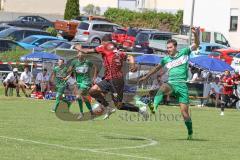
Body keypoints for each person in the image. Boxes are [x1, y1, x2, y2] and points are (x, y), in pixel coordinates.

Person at [139, 28, 199, 140]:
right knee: (163, 87)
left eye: (170, 47)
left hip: (182, 86)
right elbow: (157, 68)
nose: (168, 50)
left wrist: (196, 35)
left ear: (175, 47)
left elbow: (196, 44)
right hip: (171, 84)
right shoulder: (166, 59)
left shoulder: (184, 52)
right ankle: (152, 109)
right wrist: (146, 76)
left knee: (184, 113)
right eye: (167, 48)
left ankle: (190, 132)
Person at [75, 34, 148, 120]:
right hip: (108, 79)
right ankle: (107, 107)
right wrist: (133, 64)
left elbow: (86, 51)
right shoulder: (118, 50)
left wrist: (78, 47)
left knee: (119, 106)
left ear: (103, 42)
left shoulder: (104, 47)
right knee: (92, 91)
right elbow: (130, 56)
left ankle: (140, 109)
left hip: (116, 80)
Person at [67, 51, 98, 119]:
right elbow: (68, 71)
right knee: (83, 98)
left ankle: (81, 113)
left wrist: (94, 77)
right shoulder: (74, 62)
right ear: (77, 55)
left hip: (86, 82)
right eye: (79, 55)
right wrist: (70, 70)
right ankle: (91, 112)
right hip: (78, 82)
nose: (80, 56)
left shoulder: (87, 62)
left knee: (78, 96)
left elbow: (95, 67)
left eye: (81, 55)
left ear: (84, 56)